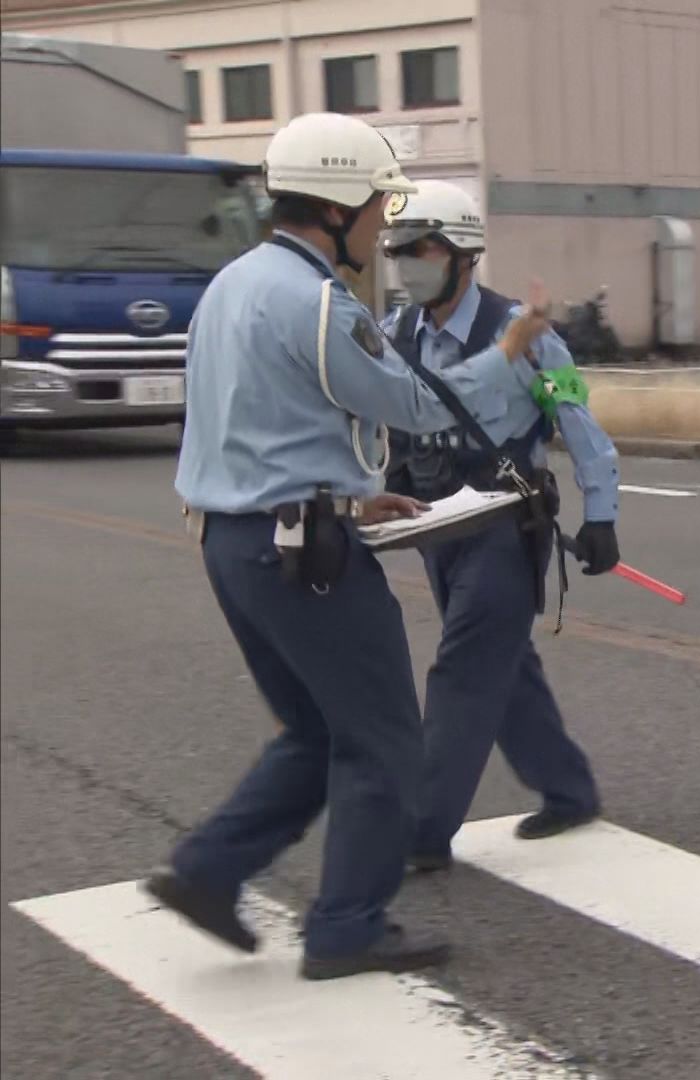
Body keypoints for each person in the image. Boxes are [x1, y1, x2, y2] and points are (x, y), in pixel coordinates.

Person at [150, 112, 555, 980]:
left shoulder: (231, 285)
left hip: (237, 541)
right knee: (382, 739)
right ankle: (346, 926)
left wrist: (352, 495)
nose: (386, 227)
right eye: (379, 204)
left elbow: (255, 424)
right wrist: (510, 351)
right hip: (306, 555)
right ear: (338, 206)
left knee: (312, 730)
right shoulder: (319, 300)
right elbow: (418, 403)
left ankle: (209, 871)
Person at [376, 180, 620, 872]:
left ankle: (421, 831)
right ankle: (567, 789)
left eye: (422, 248)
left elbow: (580, 425)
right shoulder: (396, 336)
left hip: (505, 525)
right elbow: (392, 429)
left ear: (462, 254)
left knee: (463, 668)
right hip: (435, 527)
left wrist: (600, 514)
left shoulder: (529, 337)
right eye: (399, 249)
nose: (407, 261)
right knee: (502, 666)